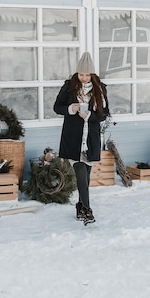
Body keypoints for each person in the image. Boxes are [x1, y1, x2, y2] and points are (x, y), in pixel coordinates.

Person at [53, 52, 109, 225]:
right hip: (73, 139)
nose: (84, 78)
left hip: (90, 138)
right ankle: (87, 209)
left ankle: (79, 206)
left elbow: (104, 114)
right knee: (80, 174)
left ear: (92, 74)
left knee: (86, 176)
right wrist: (71, 108)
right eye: (81, 74)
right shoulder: (69, 87)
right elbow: (57, 107)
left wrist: (90, 116)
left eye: (87, 75)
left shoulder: (100, 89)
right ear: (77, 73)